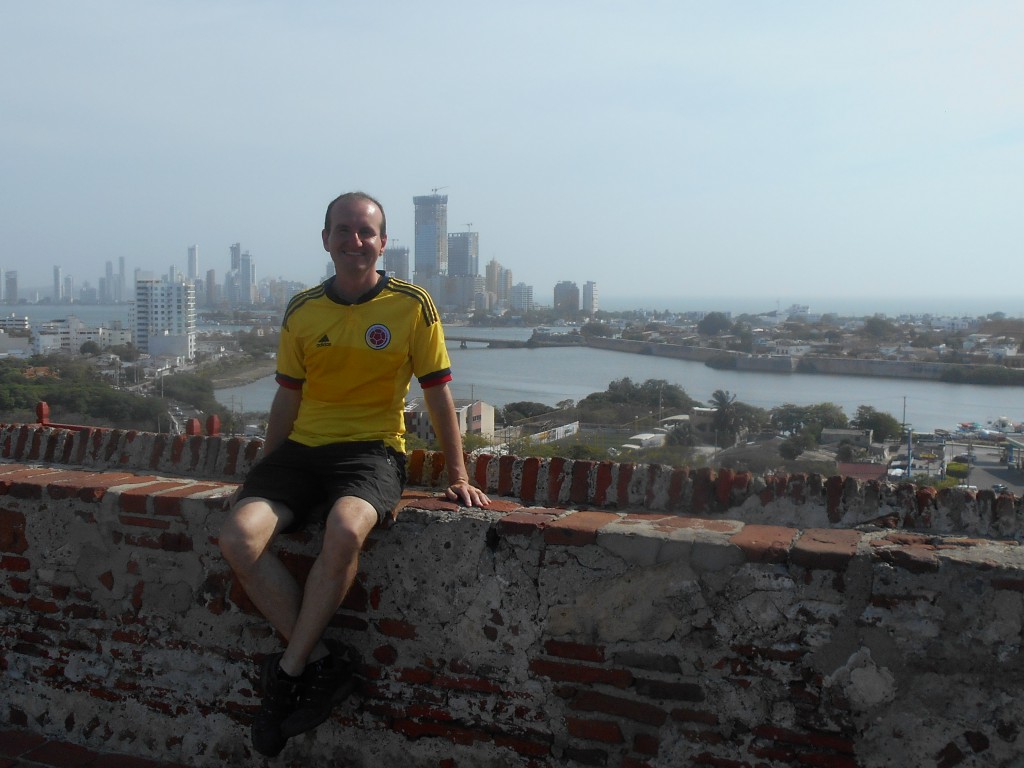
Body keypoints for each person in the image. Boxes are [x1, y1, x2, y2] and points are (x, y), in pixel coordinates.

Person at [218, 191, 490, 756]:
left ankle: (288, 676)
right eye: (344, 231)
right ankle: (320, 665)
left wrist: (457, 472)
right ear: (326, 240)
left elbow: (439, 394)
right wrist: (265, 467)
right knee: (238, 537)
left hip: (372, 452)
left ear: (383, 243)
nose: (355, 241)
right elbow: (286, 399)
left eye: (366, 232)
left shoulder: (412, 305)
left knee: (345, 531)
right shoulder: (302, 310)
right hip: (301, 450)